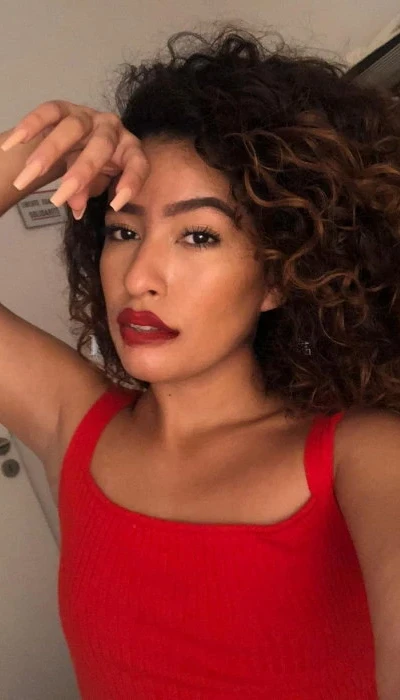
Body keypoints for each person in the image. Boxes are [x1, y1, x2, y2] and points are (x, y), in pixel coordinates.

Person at [0, 26, 399, 700]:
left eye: (198, 235)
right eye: (124, 230)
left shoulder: (366, 457)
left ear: (279, 275)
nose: (139, 277)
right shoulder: (76, 422)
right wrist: (36, 151)